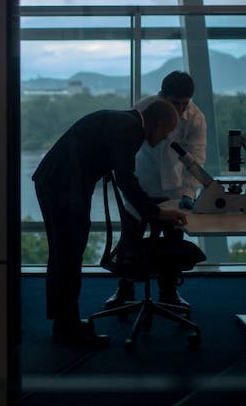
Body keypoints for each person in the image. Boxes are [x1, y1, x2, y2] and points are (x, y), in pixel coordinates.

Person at [32, 99, 189, 347]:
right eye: (165, 132)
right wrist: (156, 213)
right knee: (69, 256)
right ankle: (67, 328)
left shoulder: (123, 122)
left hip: (55, 181)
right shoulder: (130, 130)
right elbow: (126, 180)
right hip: (64, 187)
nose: (163, 139)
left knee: (63, 255)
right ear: (156, 123)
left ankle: (63, 322)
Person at [105, 70, 207, 311]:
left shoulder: (196, 118)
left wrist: (189, 195)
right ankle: (125, 288)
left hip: (175, 189)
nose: (181, 109)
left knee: (173, 242)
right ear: (162, 96)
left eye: (185, 103)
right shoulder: (143, 109)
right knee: (130, 238)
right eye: (175, 103)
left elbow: (197, 159)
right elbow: (127, 151)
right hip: (142, 184)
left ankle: (169, 291)